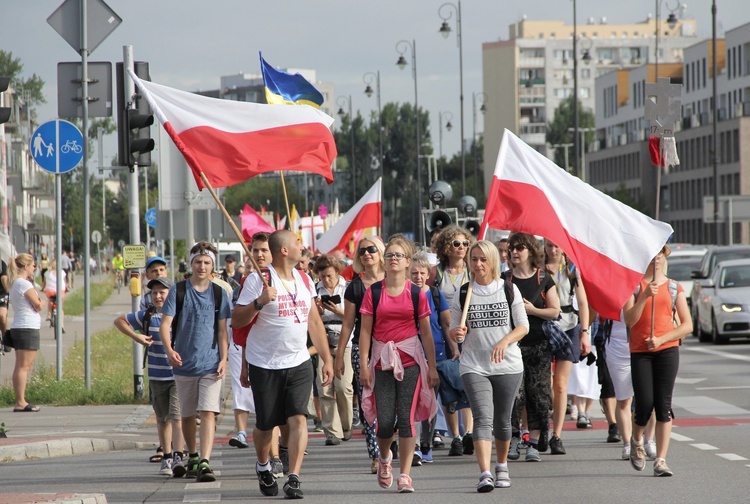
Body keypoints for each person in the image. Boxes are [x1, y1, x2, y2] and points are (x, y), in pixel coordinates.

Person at [233, 229, 333, 499]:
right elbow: (238, 321)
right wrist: (259, 302)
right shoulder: (258, 280)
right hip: (264, 363)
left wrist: (326, 358)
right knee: (266, 425)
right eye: (297, 243)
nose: (302, 247)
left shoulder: (304, 279)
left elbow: (314, 321)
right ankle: (263, 465)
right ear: (285, 251)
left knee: (299, 417)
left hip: (298, 361)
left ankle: (294, 477)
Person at [359, 236, 440, 493]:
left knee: (406, 419)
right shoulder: (373, 292)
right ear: (384, 262)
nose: (393, 259)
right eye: (389, 255)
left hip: (411, 361)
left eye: (398, 255)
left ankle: (405, 475)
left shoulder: (416, 293)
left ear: (407, 262)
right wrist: (363, 365)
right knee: (384, 421)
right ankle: (384, 460)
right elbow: (365, 332)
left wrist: (433, 367)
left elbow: (426, 333)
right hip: (382, 360)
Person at [449, 240, 529, 492]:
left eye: (483, 259)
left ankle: (502, 465)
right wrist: (457, 333)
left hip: (507, 365)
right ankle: (485, 473)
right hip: (474, 365)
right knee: (483, 418)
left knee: (503, 421)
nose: (478, 264)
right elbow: (453, 329)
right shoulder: (463, 292)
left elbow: (523, 326)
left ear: (493, 261)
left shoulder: (508, 290)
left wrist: (505, 340)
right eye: (474, 259)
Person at [159, 241, 230, 483]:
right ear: (191, 264)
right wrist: (169, 349)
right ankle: (192, 454)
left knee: (208, 412)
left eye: (207, 262)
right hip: (184, 364)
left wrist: (224, 359)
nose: (202, 266)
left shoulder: (219, 293)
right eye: (198, 262)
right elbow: (165, 325)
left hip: (210, 364)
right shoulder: (178, 291)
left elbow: (222, 331)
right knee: (188, 415)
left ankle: (205, 461)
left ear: (213, 266)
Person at [624, 244, 692, 477]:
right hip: (640, 351)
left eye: (660, 254)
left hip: (667, 350)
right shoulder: (633, 287)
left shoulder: (674, 287)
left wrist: (663, 338)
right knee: (644, 404)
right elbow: (629, 320)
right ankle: (636, 440)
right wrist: (644, 296)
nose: (656, 259)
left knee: (664, 406)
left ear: (665, 256)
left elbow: (687, 324)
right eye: (652, 256)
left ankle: (661, 460)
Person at [114, 277, 183, 477]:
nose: (158, 296)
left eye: (162, 292)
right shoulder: (147, 315)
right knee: (162, 419)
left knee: (177, 416)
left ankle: (179, 455)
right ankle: (167, 456)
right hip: (156, 375)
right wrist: (137, 337)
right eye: (154, 293)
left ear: (171, 294)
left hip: (177, 374)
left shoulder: (179, 314)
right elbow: (119, 321)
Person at [506, 232, 560, 462]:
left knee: (538, 396)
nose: (514, 252)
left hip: (539, 346)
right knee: (514, 397)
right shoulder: (504, 280)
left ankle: (534, 444)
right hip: (511, 347)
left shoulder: (543, 278)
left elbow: (555, 311)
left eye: (519, 248)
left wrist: (533, 311)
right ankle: (514, 438)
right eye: (511, 248)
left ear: (530, 250)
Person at [335, 235, 386, 474]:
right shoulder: (354, 287)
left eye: (372, 249)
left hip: (393, 348)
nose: (367, 254)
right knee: (367, 403)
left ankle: (388, 441)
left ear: (381, 252)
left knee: (392, 401)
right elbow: (347, 324)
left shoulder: (395, 281)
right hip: (361, 350)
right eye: (362, 251)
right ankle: (376, 454)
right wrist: (338, 357)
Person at [428, 225, 476, 456]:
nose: (462, 248)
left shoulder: (474, 271)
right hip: (445, 333)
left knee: (468, 385)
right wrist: (450, 344)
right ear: (447, 246)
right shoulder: (435, 273)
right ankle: (455, 435)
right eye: (457, 243)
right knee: (449, 387)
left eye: (465, 243)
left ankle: (470, 434)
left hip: (471, 335)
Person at [543, 239, 590, 455]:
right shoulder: (539, 267)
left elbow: (583, 303)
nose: (552, 250)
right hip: (544, 325)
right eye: (548, 245)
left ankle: (557, 435)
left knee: (561, 384)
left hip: (569, 326)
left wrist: (585, 332)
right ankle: (542, 425)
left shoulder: (571, 269)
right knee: (545, 383)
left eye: (556, 245)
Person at [410, 253, 458, 465]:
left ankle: (426, 445)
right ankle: (414, 446)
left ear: (428, 274)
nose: (418, 277)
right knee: (411, 403)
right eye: (414, 273)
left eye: (422, 273)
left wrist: (454, 348)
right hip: (410, 355)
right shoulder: (404, 294)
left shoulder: (436, 294)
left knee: (430, 402)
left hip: (437, 356)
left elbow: (447, 325)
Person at [312, 254, 353, 446]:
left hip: (345, 338)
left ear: (337, 272)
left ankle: (346, 426)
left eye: (329, 276)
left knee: (343, 386)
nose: (326, 280)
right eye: (322, 277)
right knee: (325, 387)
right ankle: (332, 432)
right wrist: (319, 311)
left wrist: (338, 311)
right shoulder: (315, 289)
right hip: (324, 339)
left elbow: (356, 317)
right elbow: (312, 320)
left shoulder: (348, 288)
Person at [9, 254, 45, 412]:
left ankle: (20, 400)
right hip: (27, 327)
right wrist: (42, 302)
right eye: (33, 266)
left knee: (20, 366)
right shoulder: (24, 284)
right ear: (25, 266)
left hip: (19, 326)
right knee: (24, 367)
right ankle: (20, 401)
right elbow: (37, 305)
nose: (34, 268)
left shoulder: (16, 283)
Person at [44, 260, 66, 333]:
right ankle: (62, 325)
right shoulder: (62, 272)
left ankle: (49, 315)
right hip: (60, 291)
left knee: (50, 301)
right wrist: (66, 288)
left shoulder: (47, 273)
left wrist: (43, 288)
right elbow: (64, 282)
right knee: (60, 307)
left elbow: (45, 283)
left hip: (50, 291)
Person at [0, 258, 9, 338]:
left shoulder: (1, 263)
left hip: (1, 293)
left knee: (2, 315)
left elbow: (4, 277)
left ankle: (5, 337)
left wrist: (8, 290)